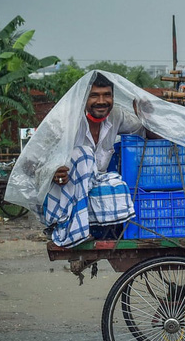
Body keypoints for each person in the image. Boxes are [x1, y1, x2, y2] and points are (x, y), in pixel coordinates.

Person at [44, 72, 159, 247]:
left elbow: (148, 135)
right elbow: (36, 158)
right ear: (84, 98)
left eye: (107, 95)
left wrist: (145, 117)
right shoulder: (67, 120)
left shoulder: (116, 116)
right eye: (94, 95)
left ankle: (105, 230)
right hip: (63, 193)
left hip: (93, 187)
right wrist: (52, 171)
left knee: (120, 185)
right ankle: (70, 231)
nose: (101, 101)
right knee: (83, 154)